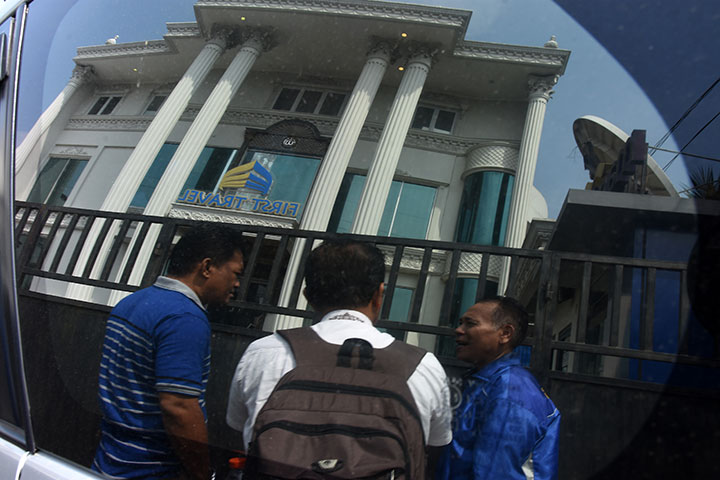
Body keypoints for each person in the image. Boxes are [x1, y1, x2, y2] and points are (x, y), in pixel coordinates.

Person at [226, 238, 452, 472]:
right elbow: (436, 444)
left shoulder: (264, 353)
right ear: (379, 294)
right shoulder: (423, 366)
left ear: (308, 296)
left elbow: (240, 428)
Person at [92, 224, 245, 480]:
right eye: (235, 273)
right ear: (207, 267)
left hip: (108, 462)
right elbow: (178, 408)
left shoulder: (131, 302)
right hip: (149, 471)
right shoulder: (184, 319)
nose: (237, 283)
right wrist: (201, 473)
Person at [437, 297, 561, 480]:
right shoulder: (485, 382)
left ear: (505, 333)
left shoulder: (510, 392)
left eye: (470, 324)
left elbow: (497, 473)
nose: (459, 330)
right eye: (460, 323)